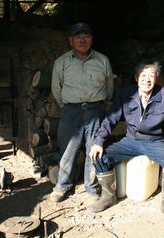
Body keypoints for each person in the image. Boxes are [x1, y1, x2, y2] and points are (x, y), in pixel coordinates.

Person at [89, 60, 164, 227]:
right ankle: (108, 195)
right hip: (131, 141)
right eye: (143, 75)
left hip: (155, 141)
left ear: (156, 78)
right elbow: (110, 119)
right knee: (99, 156)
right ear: (136, 77)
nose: (147, 79)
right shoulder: (125, 94)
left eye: (151, 76)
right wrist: (98, 141)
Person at [50, 22, 114, 202]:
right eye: (78, 36)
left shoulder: (102, 60)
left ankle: (92, 187)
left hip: (96, 110)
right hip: (72, 111)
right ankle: (62, 186)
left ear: (92, 39)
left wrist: (103, 104)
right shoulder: (61, 62)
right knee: (68, 150)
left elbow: (109, 86)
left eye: (86, 36)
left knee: (94, 150)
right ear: (71, 41)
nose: (82, 40)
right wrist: (67, 106)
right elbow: (57, 88)